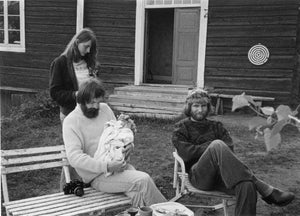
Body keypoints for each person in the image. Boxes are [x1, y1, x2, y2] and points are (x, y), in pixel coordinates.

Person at [172, 88, 295, 216]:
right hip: (199, 176)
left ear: (208, 107)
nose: (200, 109)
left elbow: (229, 148)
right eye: (196, 106)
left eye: (203, 105)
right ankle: (266, 190)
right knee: (217, 145)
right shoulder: (181, 127)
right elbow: (186, 153)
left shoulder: (217, 126)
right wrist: (211, 147)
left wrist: (214, 149)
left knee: (247, 185)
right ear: (189, 107)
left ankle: (258, 187)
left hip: (223, 176)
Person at [63, 78, 167, 207]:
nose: (96, 106)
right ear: (81, 100)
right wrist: (107, 166)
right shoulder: (71, 121)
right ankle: (170, 211)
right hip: (98, 176)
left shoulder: (104, 109)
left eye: (98, 102)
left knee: (138, 195)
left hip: (119, 167)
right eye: (91, 103)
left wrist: (129, 146)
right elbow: (75, 158)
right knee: (143, 180)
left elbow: (118, 134)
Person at [49, 28, 98, 187]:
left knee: (89, 149)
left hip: (88, 113)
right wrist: (76, 95)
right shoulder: (61, 63)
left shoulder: (88, 62)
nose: (88, 50)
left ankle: (86, 183)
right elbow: (55, 93)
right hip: (70, 114)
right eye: (86, 47)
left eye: (91, 47)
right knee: (73, 152)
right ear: (76, 43)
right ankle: (68, 186)